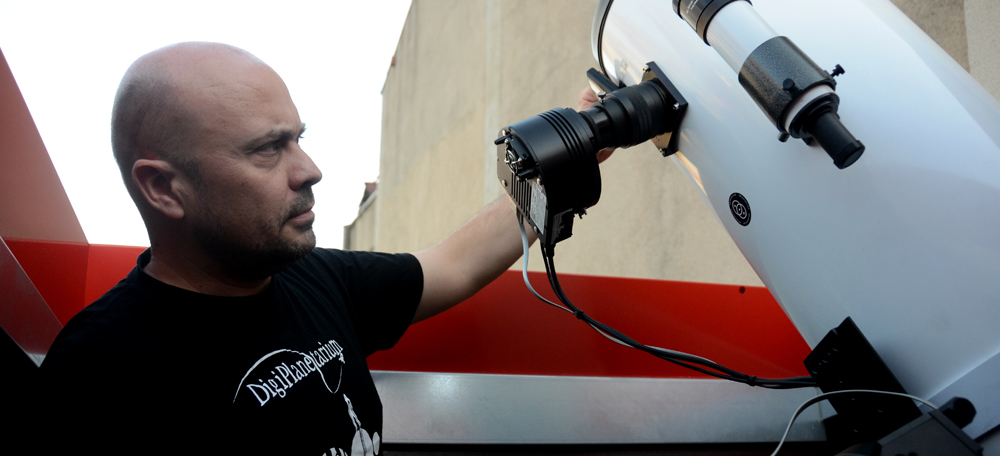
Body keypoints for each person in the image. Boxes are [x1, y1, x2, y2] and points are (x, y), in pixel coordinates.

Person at [36, 42, 552, 455]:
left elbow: (454, 264)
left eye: (298, 139)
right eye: (267, 149)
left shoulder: (314, 277)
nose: (310, 170)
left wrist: (569, 149)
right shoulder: (96, 376)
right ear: (164, 189)